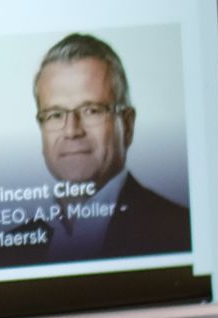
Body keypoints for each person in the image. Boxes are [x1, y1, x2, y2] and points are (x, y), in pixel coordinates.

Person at [29, 32, 189, 255]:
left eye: (91, 110)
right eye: (55, 115)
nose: (72, 131)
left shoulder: (180, 231)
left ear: (128, 125)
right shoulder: (7, 250)